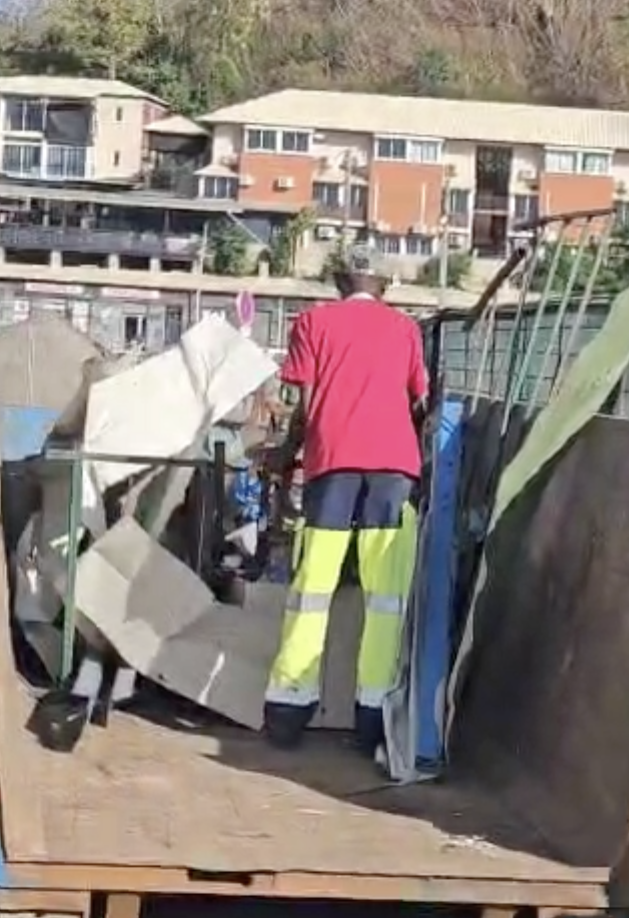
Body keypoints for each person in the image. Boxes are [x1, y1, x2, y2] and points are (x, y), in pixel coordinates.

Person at [264, 245, 431, 759]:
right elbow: (418, 402)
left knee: (313, 584)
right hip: (394, 468)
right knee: (385, 595)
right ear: (385, 285)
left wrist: (287, 455)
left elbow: (307, 406)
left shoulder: (313, 322)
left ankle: (289, 708)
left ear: (340, 281)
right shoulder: (406, 329)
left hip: (332, 459)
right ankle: (372, 717)